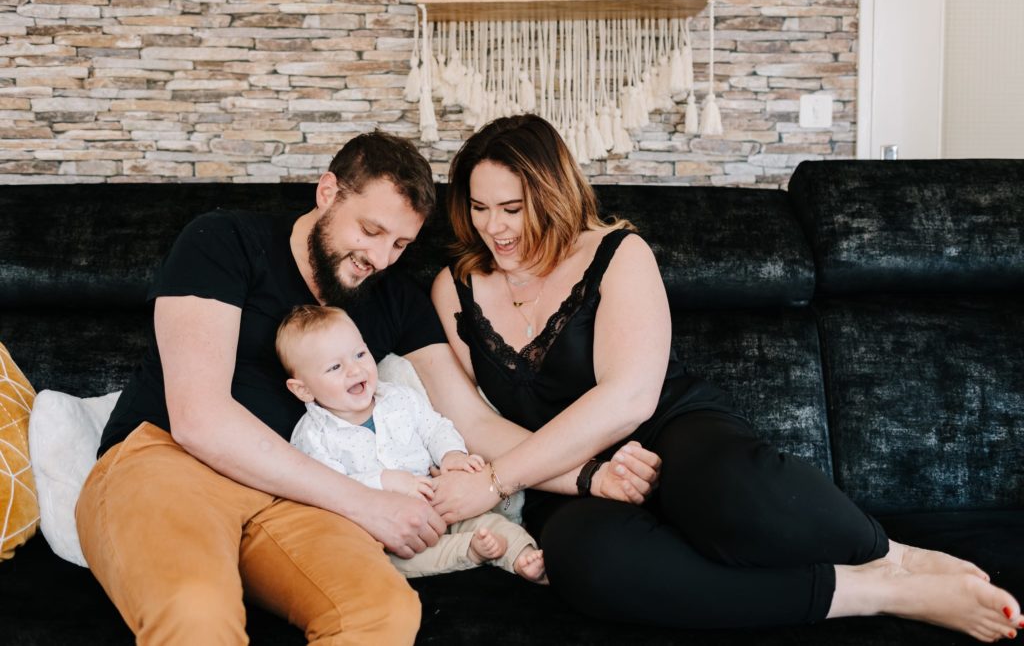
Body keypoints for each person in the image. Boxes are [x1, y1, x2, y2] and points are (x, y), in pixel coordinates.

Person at [426, 114, 1022, 643]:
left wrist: (496, 481)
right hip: (562, 478)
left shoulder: (616, 251)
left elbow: (628, 397)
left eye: (512, 209)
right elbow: (482, 422)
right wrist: (585, 477)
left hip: (666, 427)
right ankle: (876, 592)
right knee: (594, 567)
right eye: (479, 209)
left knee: (739, 494)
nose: (495, 230)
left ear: (552, 195)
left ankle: (893, 556)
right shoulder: (454, 288)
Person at [75, 129, 653, 644]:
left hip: (296, 497)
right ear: (328, 192)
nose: (378, 257)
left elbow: (471, 424)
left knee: (381, 613)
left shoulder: (396, 300)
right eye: (370, 230)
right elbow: (199, 418)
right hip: (171, 462)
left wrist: (588, 475)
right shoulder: (224, 241)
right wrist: (365, 504)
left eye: (400, 245)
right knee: (195, 612)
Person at [277, 304, 546, 582]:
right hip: (383, 532)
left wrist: (451, 455)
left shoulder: (399, 398)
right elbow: (328, 488)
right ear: (303, 389)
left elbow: (435, 428)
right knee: (392, 561)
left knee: (487, 523)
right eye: (335, 367)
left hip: (436, 500)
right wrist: (387, 481)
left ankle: (521, 554)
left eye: (360, 354)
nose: (355, 369)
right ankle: (470, 551)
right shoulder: (312, 437)